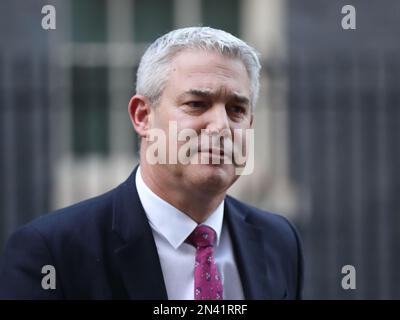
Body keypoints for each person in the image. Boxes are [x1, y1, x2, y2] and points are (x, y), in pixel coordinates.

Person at [0, 27, 303, 299]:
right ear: (143, 116)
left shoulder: (279, 241)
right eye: (197, 104)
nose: (221, 125)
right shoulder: (52, 252)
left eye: (236, 109)